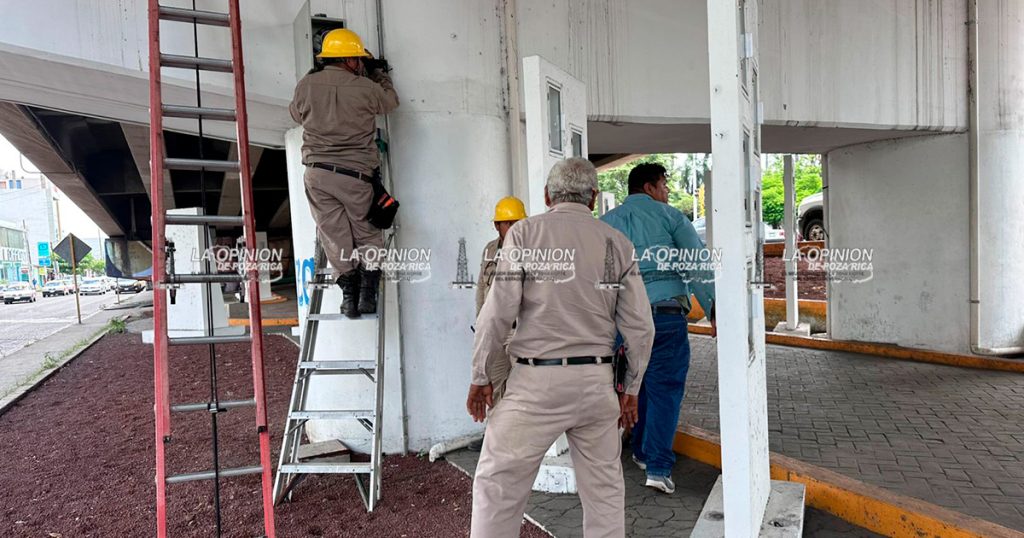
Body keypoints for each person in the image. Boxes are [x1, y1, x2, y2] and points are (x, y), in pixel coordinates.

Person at [467, 158, 654, 538]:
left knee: (497, 485)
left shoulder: (523, 235)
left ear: (548, 196)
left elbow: (495, 315)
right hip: (596, 384)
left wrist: (481, 375)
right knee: (604, 495)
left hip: (534, 384)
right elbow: (641, 329)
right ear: (594, 198)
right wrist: (631, 389)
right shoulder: (617, 243)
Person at [600, 163, 717, 495]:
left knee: (637, 385)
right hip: (664, 316)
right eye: (664, 185)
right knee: (664, 389)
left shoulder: (606, 224)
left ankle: (639, 450)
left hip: (623, 321)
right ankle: (658, 467)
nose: (667, 192)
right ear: (649, 187)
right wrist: (712, 308)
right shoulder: (671, 217)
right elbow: (697, 263)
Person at [289, 28, 399, 318]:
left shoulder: (305, 86)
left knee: (333, 235)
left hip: (317, 175)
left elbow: (295, 114)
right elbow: (390, 102)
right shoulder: (366, 87)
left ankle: (348, 296)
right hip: (355, 175)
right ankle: (368, 294)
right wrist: (378, 74)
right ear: (351, 59)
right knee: (367, 233)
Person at [467, 196, 527, 452]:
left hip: (519, 331)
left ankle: (521, 441)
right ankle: (497, 440)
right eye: (507, 223)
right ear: (497, 226)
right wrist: (481, 324)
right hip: (494, 332)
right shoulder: (490, 250)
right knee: (494, 386)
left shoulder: (532, 250)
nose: (512, 228)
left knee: (522, 387)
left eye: (517, 223)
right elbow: (482, 287)